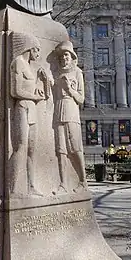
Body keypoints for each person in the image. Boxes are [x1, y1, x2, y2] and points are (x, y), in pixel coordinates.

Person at [9, 32, 49, 197]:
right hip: (22, 107)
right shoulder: (18, 63)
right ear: (29, 48)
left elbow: (43, 94)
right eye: (37, 50)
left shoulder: (31, 68)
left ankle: (31, 186)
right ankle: (13, 188)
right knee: (21, 147)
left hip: (32, 109)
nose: (39, 54)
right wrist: (34, 96)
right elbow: (15, 90)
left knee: (31, 149)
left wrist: (44, 81)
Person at [54, 40, 86, 194]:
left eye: (66, 55)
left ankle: (83, 181)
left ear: (72, 56)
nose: (63, 58)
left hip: (72, 111)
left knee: (75, 148)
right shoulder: (58, 73)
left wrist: (70, 90)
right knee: (61, 150)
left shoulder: (77, 72)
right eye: (61, 56)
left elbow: (81, 99)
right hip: (58, 111)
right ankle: (63, 183)